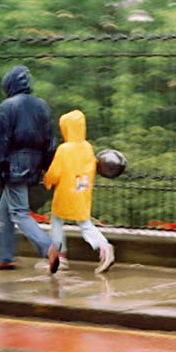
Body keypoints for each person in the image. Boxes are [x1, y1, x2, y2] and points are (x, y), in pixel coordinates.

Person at [0, 65, 60, 273]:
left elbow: (0, 140)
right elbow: (50, 141)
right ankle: (5, 257)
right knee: (5, 211)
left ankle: (48, 247)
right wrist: (47, 166)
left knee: (19, 212)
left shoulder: (7, 106)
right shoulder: (42, 105)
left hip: (13, 164)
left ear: (8, 85)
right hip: (34, 163)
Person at [44, 109, 115, 274]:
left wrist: (47, 181)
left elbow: (55, 172)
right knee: (84, 222)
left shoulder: (64, 149)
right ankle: (104, 247)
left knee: (56, 222)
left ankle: (60, 257)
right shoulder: (87, 147)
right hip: (82, 190)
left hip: (65, 192)